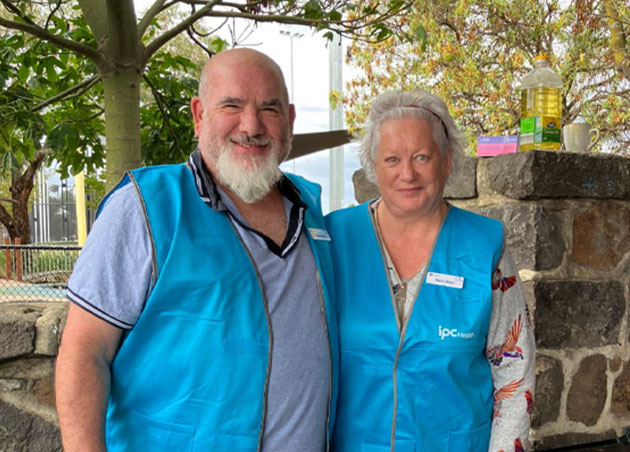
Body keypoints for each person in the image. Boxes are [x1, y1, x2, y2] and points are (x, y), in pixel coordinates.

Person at [55, 48, 338, 452]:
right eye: (232, 105)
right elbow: (84, 351)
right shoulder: (146, 207)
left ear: (290, 121)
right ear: (199, 115)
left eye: (269, 109)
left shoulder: (312, 211)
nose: (252, 125)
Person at [326, 89, 535, 452]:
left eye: (422, 156)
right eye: (392, 159)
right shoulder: (332, 241)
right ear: (374, 166)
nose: (407, 173)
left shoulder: (485, 249)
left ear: (447, 161)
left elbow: (514, 374)